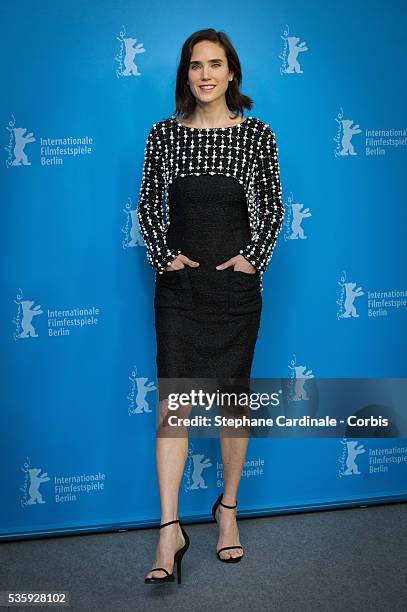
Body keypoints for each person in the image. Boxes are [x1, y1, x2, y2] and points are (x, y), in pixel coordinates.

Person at [137, 28, 284, 584]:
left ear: (232, 73)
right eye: (195, 65)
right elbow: (149, 202)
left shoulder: (256, 136)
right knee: (173, 405)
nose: (204, 74)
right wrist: (163, 256)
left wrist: (252, 259)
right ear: (185, 74)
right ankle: (169, 528)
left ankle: (227, 512)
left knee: (231, 403)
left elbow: (272, 207)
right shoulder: (163, 136)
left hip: (233, 291)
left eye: (215, 64)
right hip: (180, 291)